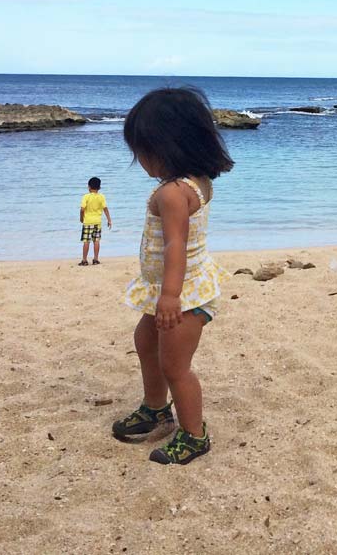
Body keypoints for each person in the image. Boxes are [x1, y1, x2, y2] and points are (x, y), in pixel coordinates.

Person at [112, 87, 234, 465]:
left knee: (175, 366)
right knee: (145, 340)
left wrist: (169, 296)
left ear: (167, 146)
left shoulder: (171, 193)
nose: (140, 162)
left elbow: (175, 246)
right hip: (180, 286)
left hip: (182, 292)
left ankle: (195, 435)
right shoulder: (197, 181)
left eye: (142, 152)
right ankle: (155, 408)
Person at [79, 177, 112, 266]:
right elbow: (105, 209)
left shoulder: (86, 196)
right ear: (99, 187)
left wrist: (81, 218)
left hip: (87, 222)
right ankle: (96, 259)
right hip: (97, 222)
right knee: (96, 241)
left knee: (86, 241)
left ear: (89, 187)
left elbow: (82, 209)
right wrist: (109, 220)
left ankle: (84, 260)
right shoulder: (101, 197)